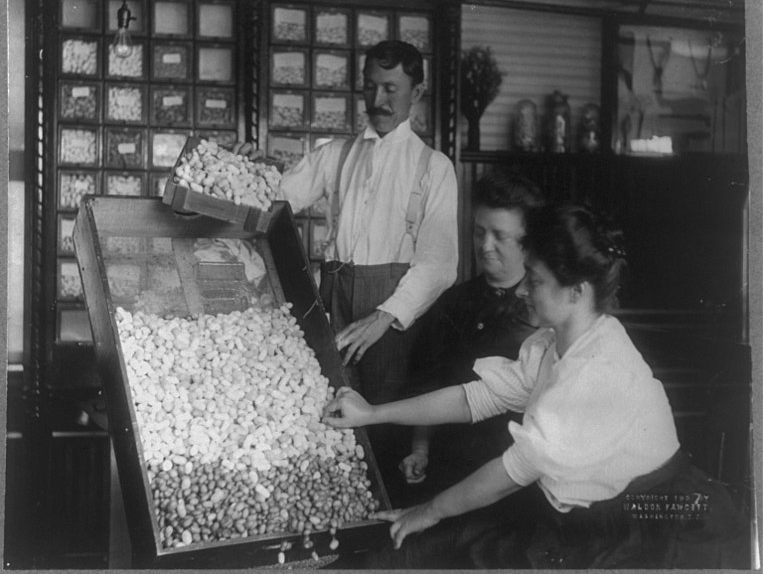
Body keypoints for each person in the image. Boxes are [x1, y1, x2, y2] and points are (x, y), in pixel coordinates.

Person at [322, 204, 749, 569]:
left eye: (536, 280)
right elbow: (476, 397)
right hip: (579, 513)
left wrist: (426, 513)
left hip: (649, 530)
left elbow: (513, 472)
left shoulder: (598, 368)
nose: (522, 289)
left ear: (576, 291)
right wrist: (374, 412)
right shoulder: (553, 342)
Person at [242, 40, 458, 497]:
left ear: (416, 94)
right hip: (335, 301)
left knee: (385, 424)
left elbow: (440, 265)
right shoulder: (335, 154)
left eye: (392, 89)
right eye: (371, 87)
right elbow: (274, 199)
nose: (379, 101)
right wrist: (247, 167)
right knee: (328, 415)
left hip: (395, 320)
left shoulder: (433, 168)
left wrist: (383, 317)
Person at [397, 173, 543, 502]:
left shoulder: (545, 317)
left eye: (499, 236)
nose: (484, 245)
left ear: (527, 241)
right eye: (479, 232)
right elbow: (427, 383)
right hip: (450, 469)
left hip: (516, 480)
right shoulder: (453, 303)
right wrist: (420, 450)